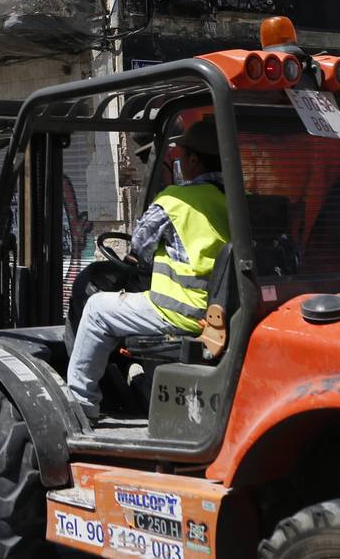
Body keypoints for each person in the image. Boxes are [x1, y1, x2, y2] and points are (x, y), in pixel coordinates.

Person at [66, 118, 231, 420]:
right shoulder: (239, 203)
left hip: (181, 312)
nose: (179, 162)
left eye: (182, 156)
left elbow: (139, 249)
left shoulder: (174, 201)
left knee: (96, 309)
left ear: (194, 159)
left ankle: (80, 405)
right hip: (223, 311)